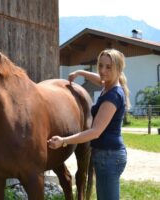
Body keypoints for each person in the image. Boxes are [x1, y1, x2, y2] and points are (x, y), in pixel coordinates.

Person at [48, 49, 130, 200]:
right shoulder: (110, 84)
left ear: (118, 69)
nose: (103, 71)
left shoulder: (112, 95)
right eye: (100, 65)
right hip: (106, 155)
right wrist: (80, 72)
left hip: (109, 157)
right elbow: (99, 79)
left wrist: (64, 141)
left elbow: (95, 132)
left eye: (108, 67)